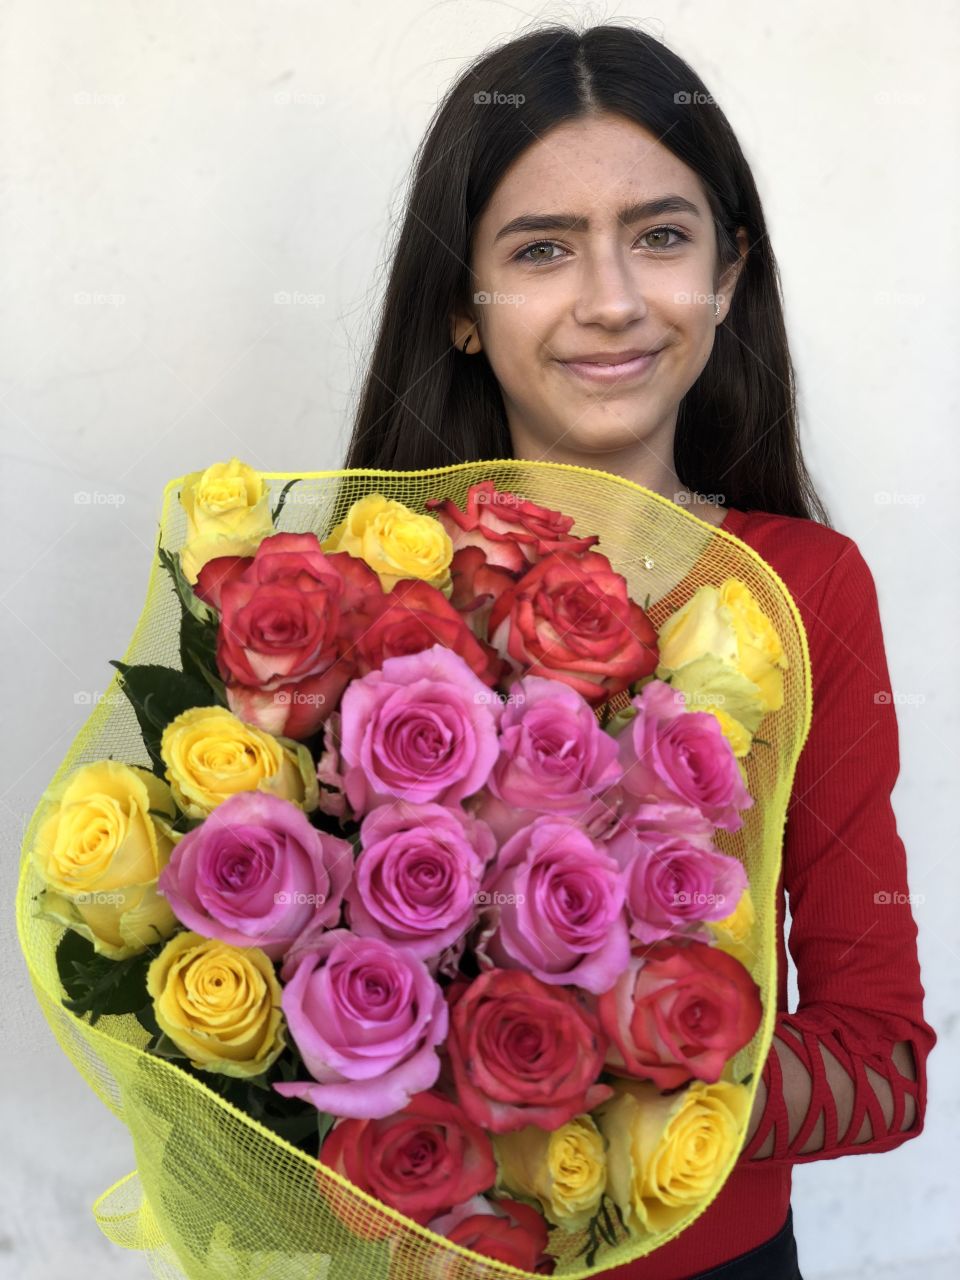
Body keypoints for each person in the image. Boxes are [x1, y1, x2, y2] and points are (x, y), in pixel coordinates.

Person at [340, 21, 936, 1279]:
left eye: (662, 236)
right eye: (543, 249)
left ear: (727, 277)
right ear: (460, 305)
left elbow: (880, 1061)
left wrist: (603, 1071)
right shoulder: (357, 594)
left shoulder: (804, 590)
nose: (613, 298)